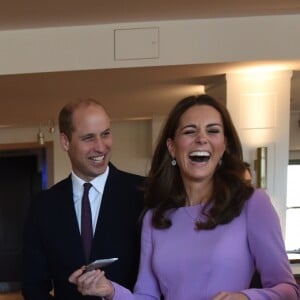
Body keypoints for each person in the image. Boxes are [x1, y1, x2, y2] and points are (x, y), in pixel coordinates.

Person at [68, 94, 299, 300]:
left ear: (224, 145)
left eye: (213, 130)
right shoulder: (155, 217)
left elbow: (287, 289)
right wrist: (110, 290)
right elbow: (147, 295)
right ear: (172, 147)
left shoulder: (252, 203)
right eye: (190, 131)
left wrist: (246, 298)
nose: (201, 138)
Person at [21, 98, 145, 299]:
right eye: (88, 138)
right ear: (65, 141)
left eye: (105, 134)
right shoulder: (43, 207)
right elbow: (33, 286)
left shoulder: (145, 194)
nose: (100, 147)